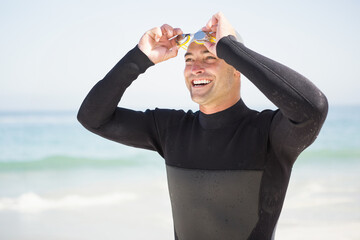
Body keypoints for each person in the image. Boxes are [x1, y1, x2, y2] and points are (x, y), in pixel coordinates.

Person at [77, 12, 328, 240]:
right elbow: (92, 117)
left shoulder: (269, 134)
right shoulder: (172, 129)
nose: (196, 69)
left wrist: (229, 46)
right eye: (189, 60)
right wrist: (139, 58)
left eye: (210, 57)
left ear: (237, 69)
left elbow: (312, 108)